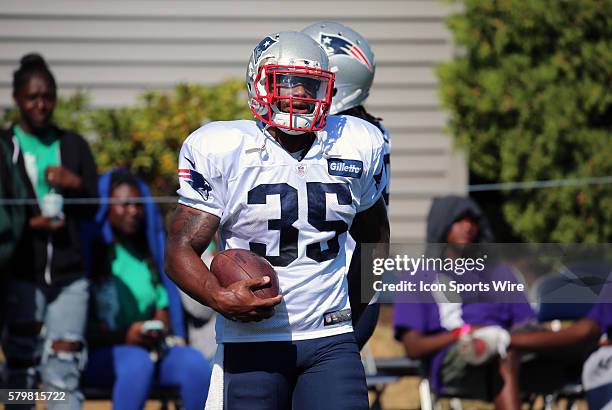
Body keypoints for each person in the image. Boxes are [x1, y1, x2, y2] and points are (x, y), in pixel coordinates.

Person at [165, 31, 389, 410]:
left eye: (309, 85)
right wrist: (218, 296)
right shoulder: (222, 149)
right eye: (285, 82)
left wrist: (349, 314)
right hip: (252, 340)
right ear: (257, 84)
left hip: (329, 342)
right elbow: (179, 249)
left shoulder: (357, 142)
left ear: (329, 92)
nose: (298, 94)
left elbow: (375, 238)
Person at [0, 53, 98, 409]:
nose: (41, 104)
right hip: (21, 273)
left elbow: (95, 208)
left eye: (48, 97)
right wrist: (28, 225)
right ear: (16, 99)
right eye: (32, 97)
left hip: (69, 276)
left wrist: (75, 182)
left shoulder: (73, 145)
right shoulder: (4, 146)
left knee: (63, 367)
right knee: (21, 367)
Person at [83, 170, 211, 410]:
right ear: (106, 206)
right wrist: (124, 335)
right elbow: (81, 327)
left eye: (138, 204)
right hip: (103, 354)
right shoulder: (89, 257)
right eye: (124, 204)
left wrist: (157, 327)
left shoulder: (149, 256)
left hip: (152, 350)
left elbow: (163, 307)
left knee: (194, 364)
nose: (133, 211)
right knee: (136, 362)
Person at [393, 195, 536, 410]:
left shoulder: (500, 274)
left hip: (510, 348)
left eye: (472, 221)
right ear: (441, 225)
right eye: (458, 220)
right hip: (456, 357)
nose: (468, 227)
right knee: (502, 355)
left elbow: (528, 323)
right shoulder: (417, 276)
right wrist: (464, 332)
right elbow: (413, 347)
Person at [302, 21, 391, 348]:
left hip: (342, 279)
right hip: (346, 273)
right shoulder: (370, 129)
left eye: (307, 80)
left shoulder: (350, 138)